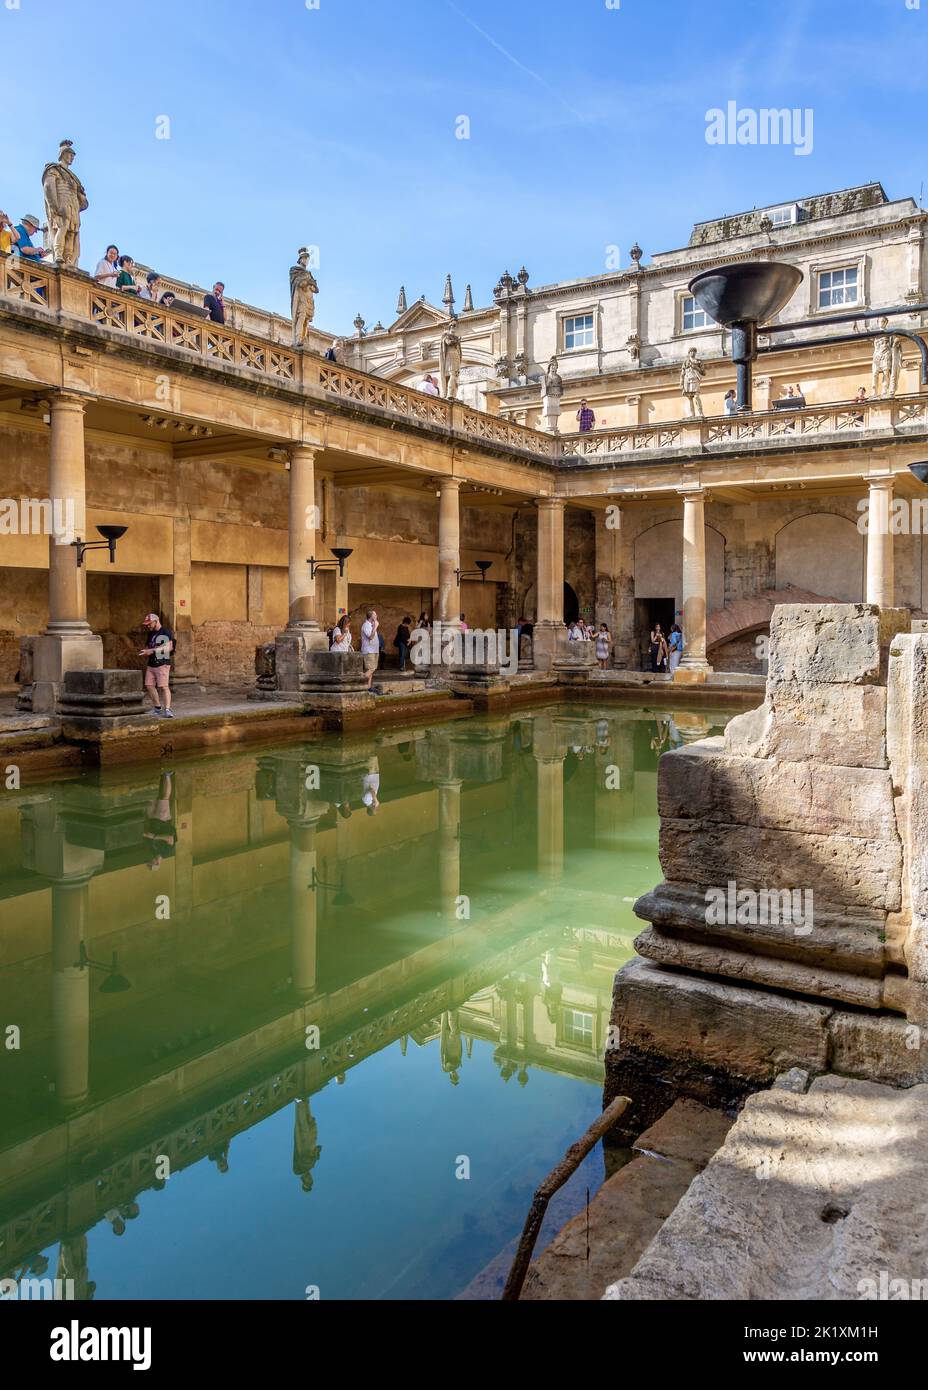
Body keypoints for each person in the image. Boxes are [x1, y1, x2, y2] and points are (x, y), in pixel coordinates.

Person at [139, 612, 175, 717]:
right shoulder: (151, 633)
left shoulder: (165, 632)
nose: (148, 626)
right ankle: (157, 708)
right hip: (151, 663)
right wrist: (145, 651)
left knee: (164, 686)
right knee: (149, 685)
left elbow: (169, 647)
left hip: (162, 663)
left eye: (149, 623)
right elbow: (149, 646)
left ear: (156, 621)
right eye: (147, 624)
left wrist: (152, 651)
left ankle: (168, 709)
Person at [143, 770, 176, 870]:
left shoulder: (153, 851)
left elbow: (148, 836)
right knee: (165, 797)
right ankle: (167, 775)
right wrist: (154, 837)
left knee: (150, 800)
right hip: (163, 820)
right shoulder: (166, 853)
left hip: (152, 820)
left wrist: (147, 834)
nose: (150, 860)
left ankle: (151, 775)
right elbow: (170, 838)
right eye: (151, 862)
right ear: (157, 863)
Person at [359, 608, 379, 689]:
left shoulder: (371, 625)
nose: (376, 616)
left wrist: (374, 626)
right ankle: (359, 681)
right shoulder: (366, 625)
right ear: (371, 616)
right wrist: (375, 627)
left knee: (371, 670)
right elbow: (370, 637)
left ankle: (368, 688)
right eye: (375, 615)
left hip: (374, 650)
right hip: (369, 651)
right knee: (371, 669)